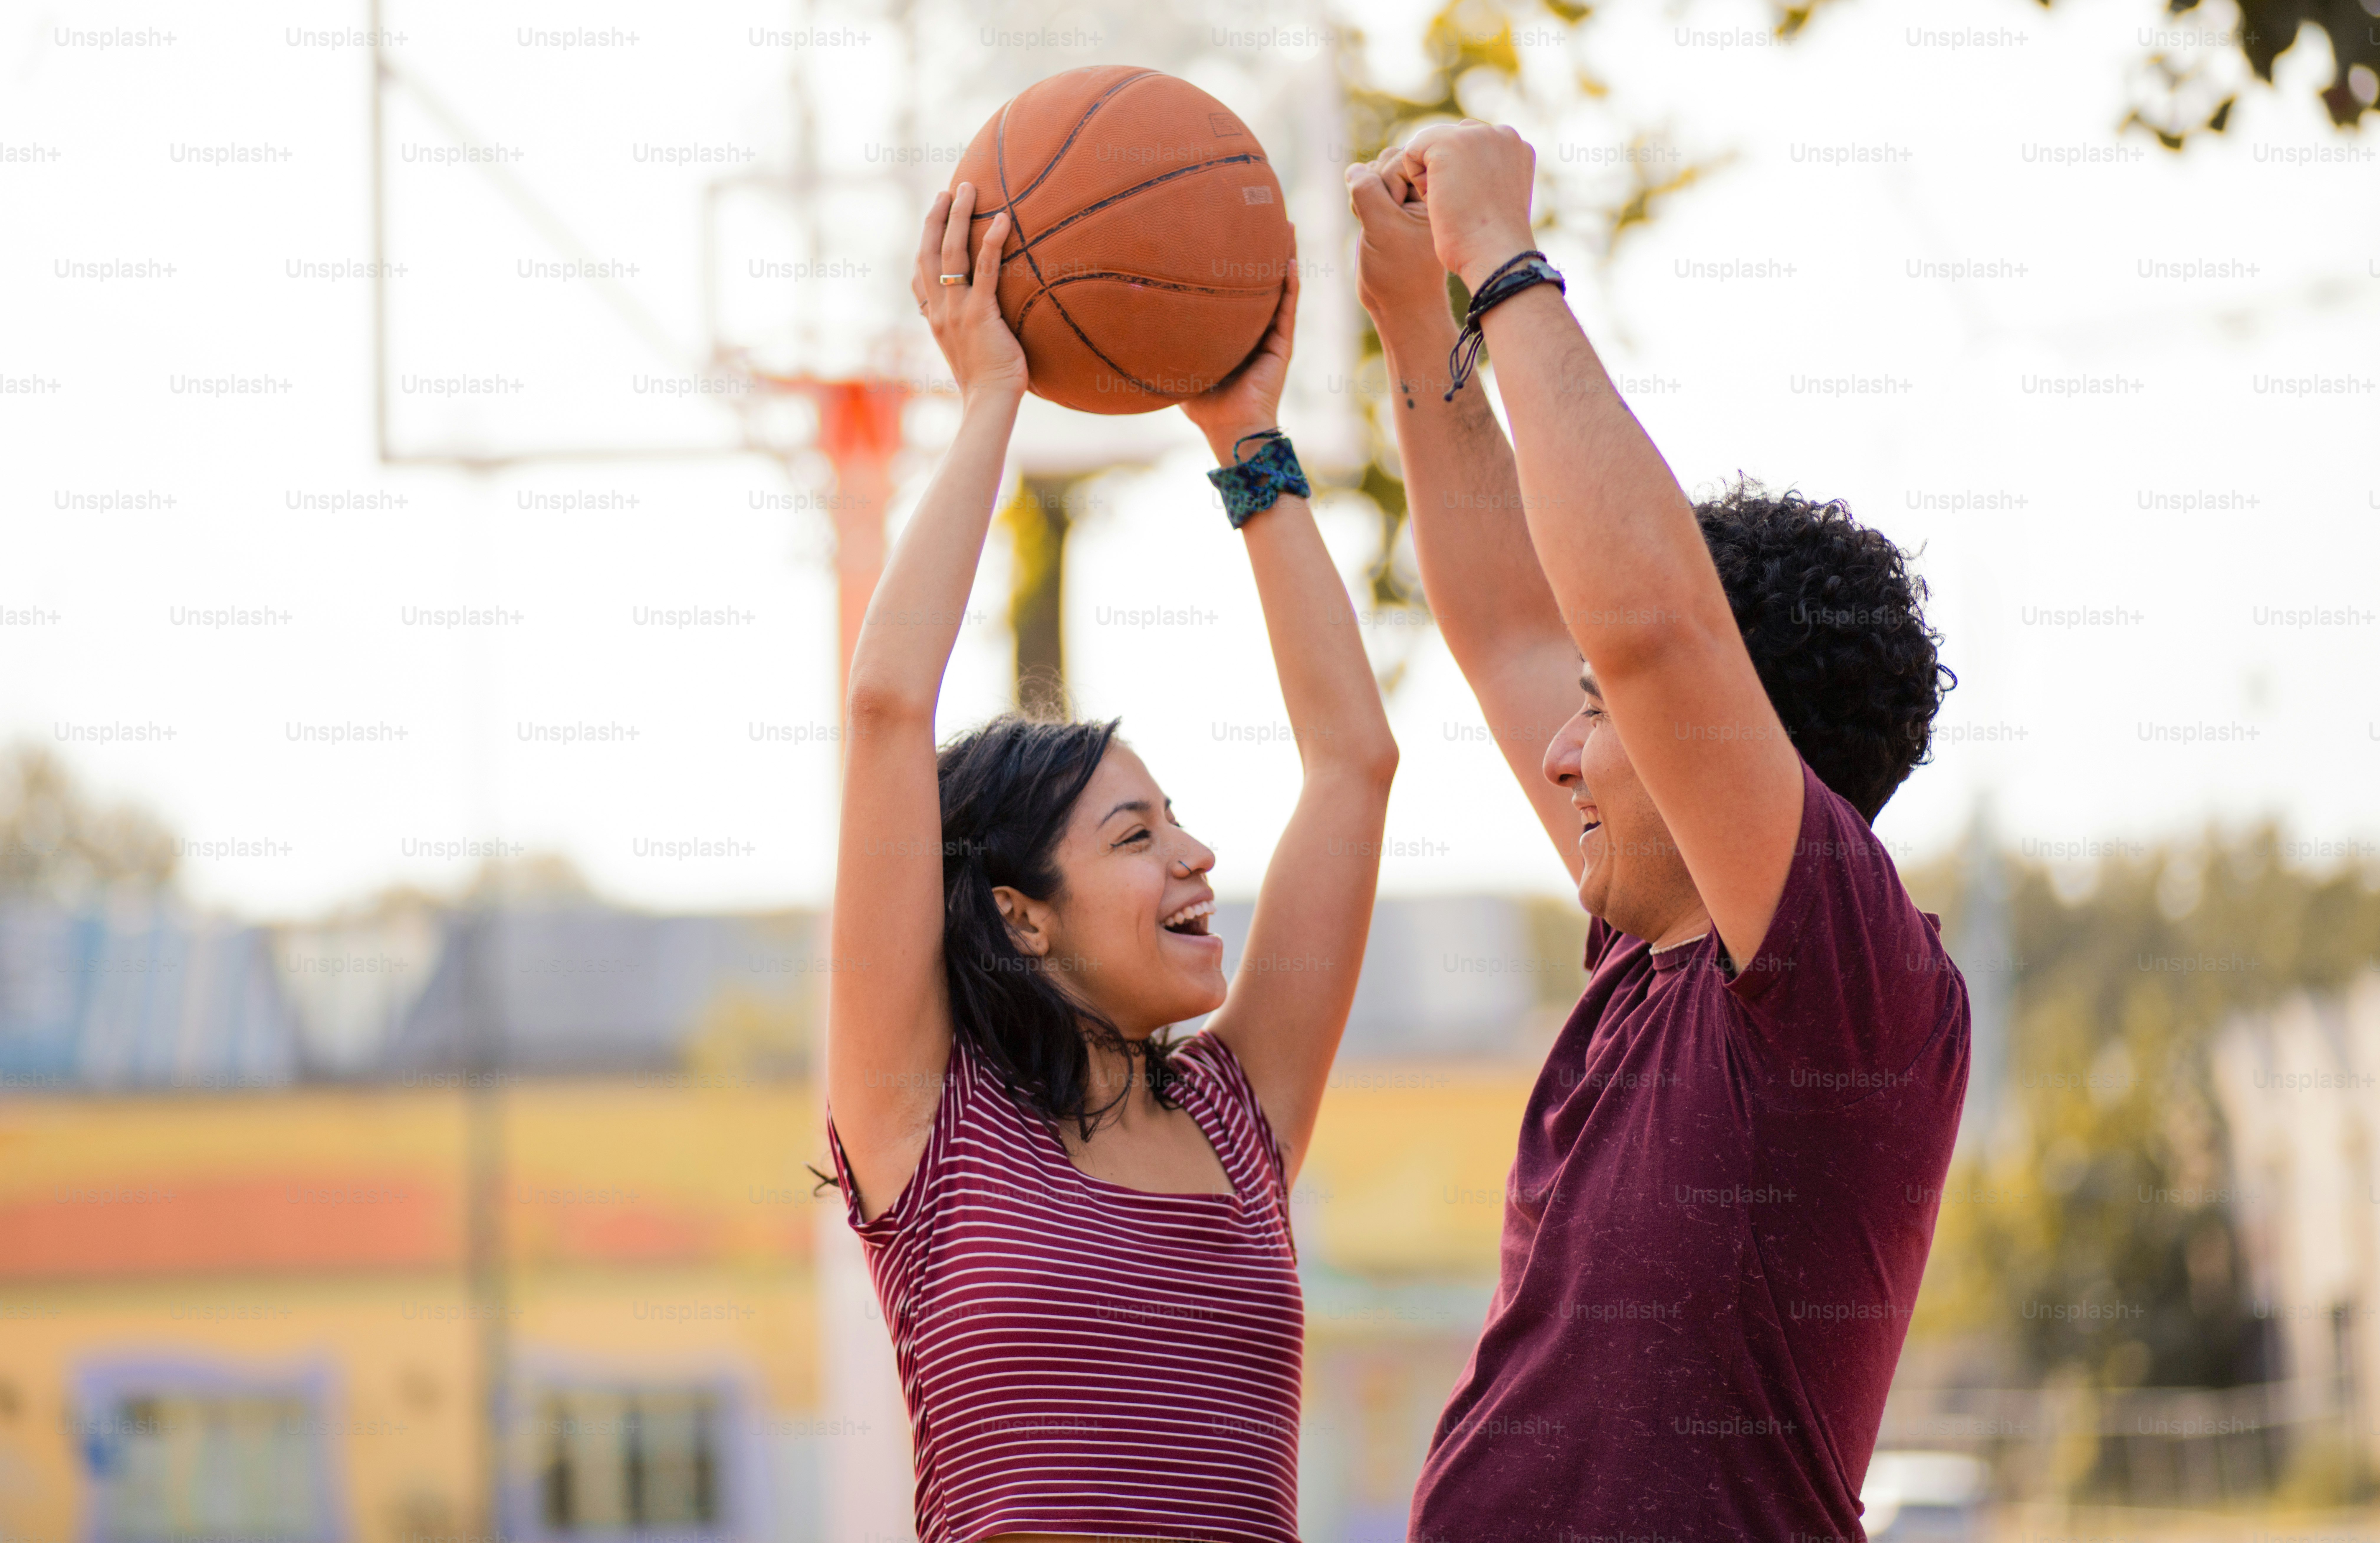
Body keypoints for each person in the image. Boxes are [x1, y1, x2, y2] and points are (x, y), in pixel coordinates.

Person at [1344, 125, 1971, 1539]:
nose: (1557, 753)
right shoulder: (1653, 954)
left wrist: (1499, 257)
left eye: (1601, 714)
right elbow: (1515, 628)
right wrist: (1407, 321)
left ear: (1722, 743)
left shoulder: (1846, 986)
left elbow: (1646, 630)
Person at [824, 184, 1397, 1543]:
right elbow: (886, 714)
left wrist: (1248, 440)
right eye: (1135, 836)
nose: (1197, 855)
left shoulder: (1239, 1119)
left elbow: (1352, 764)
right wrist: (989, 405)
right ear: (1019, 916)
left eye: (1176, 822)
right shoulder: (927, 1125)